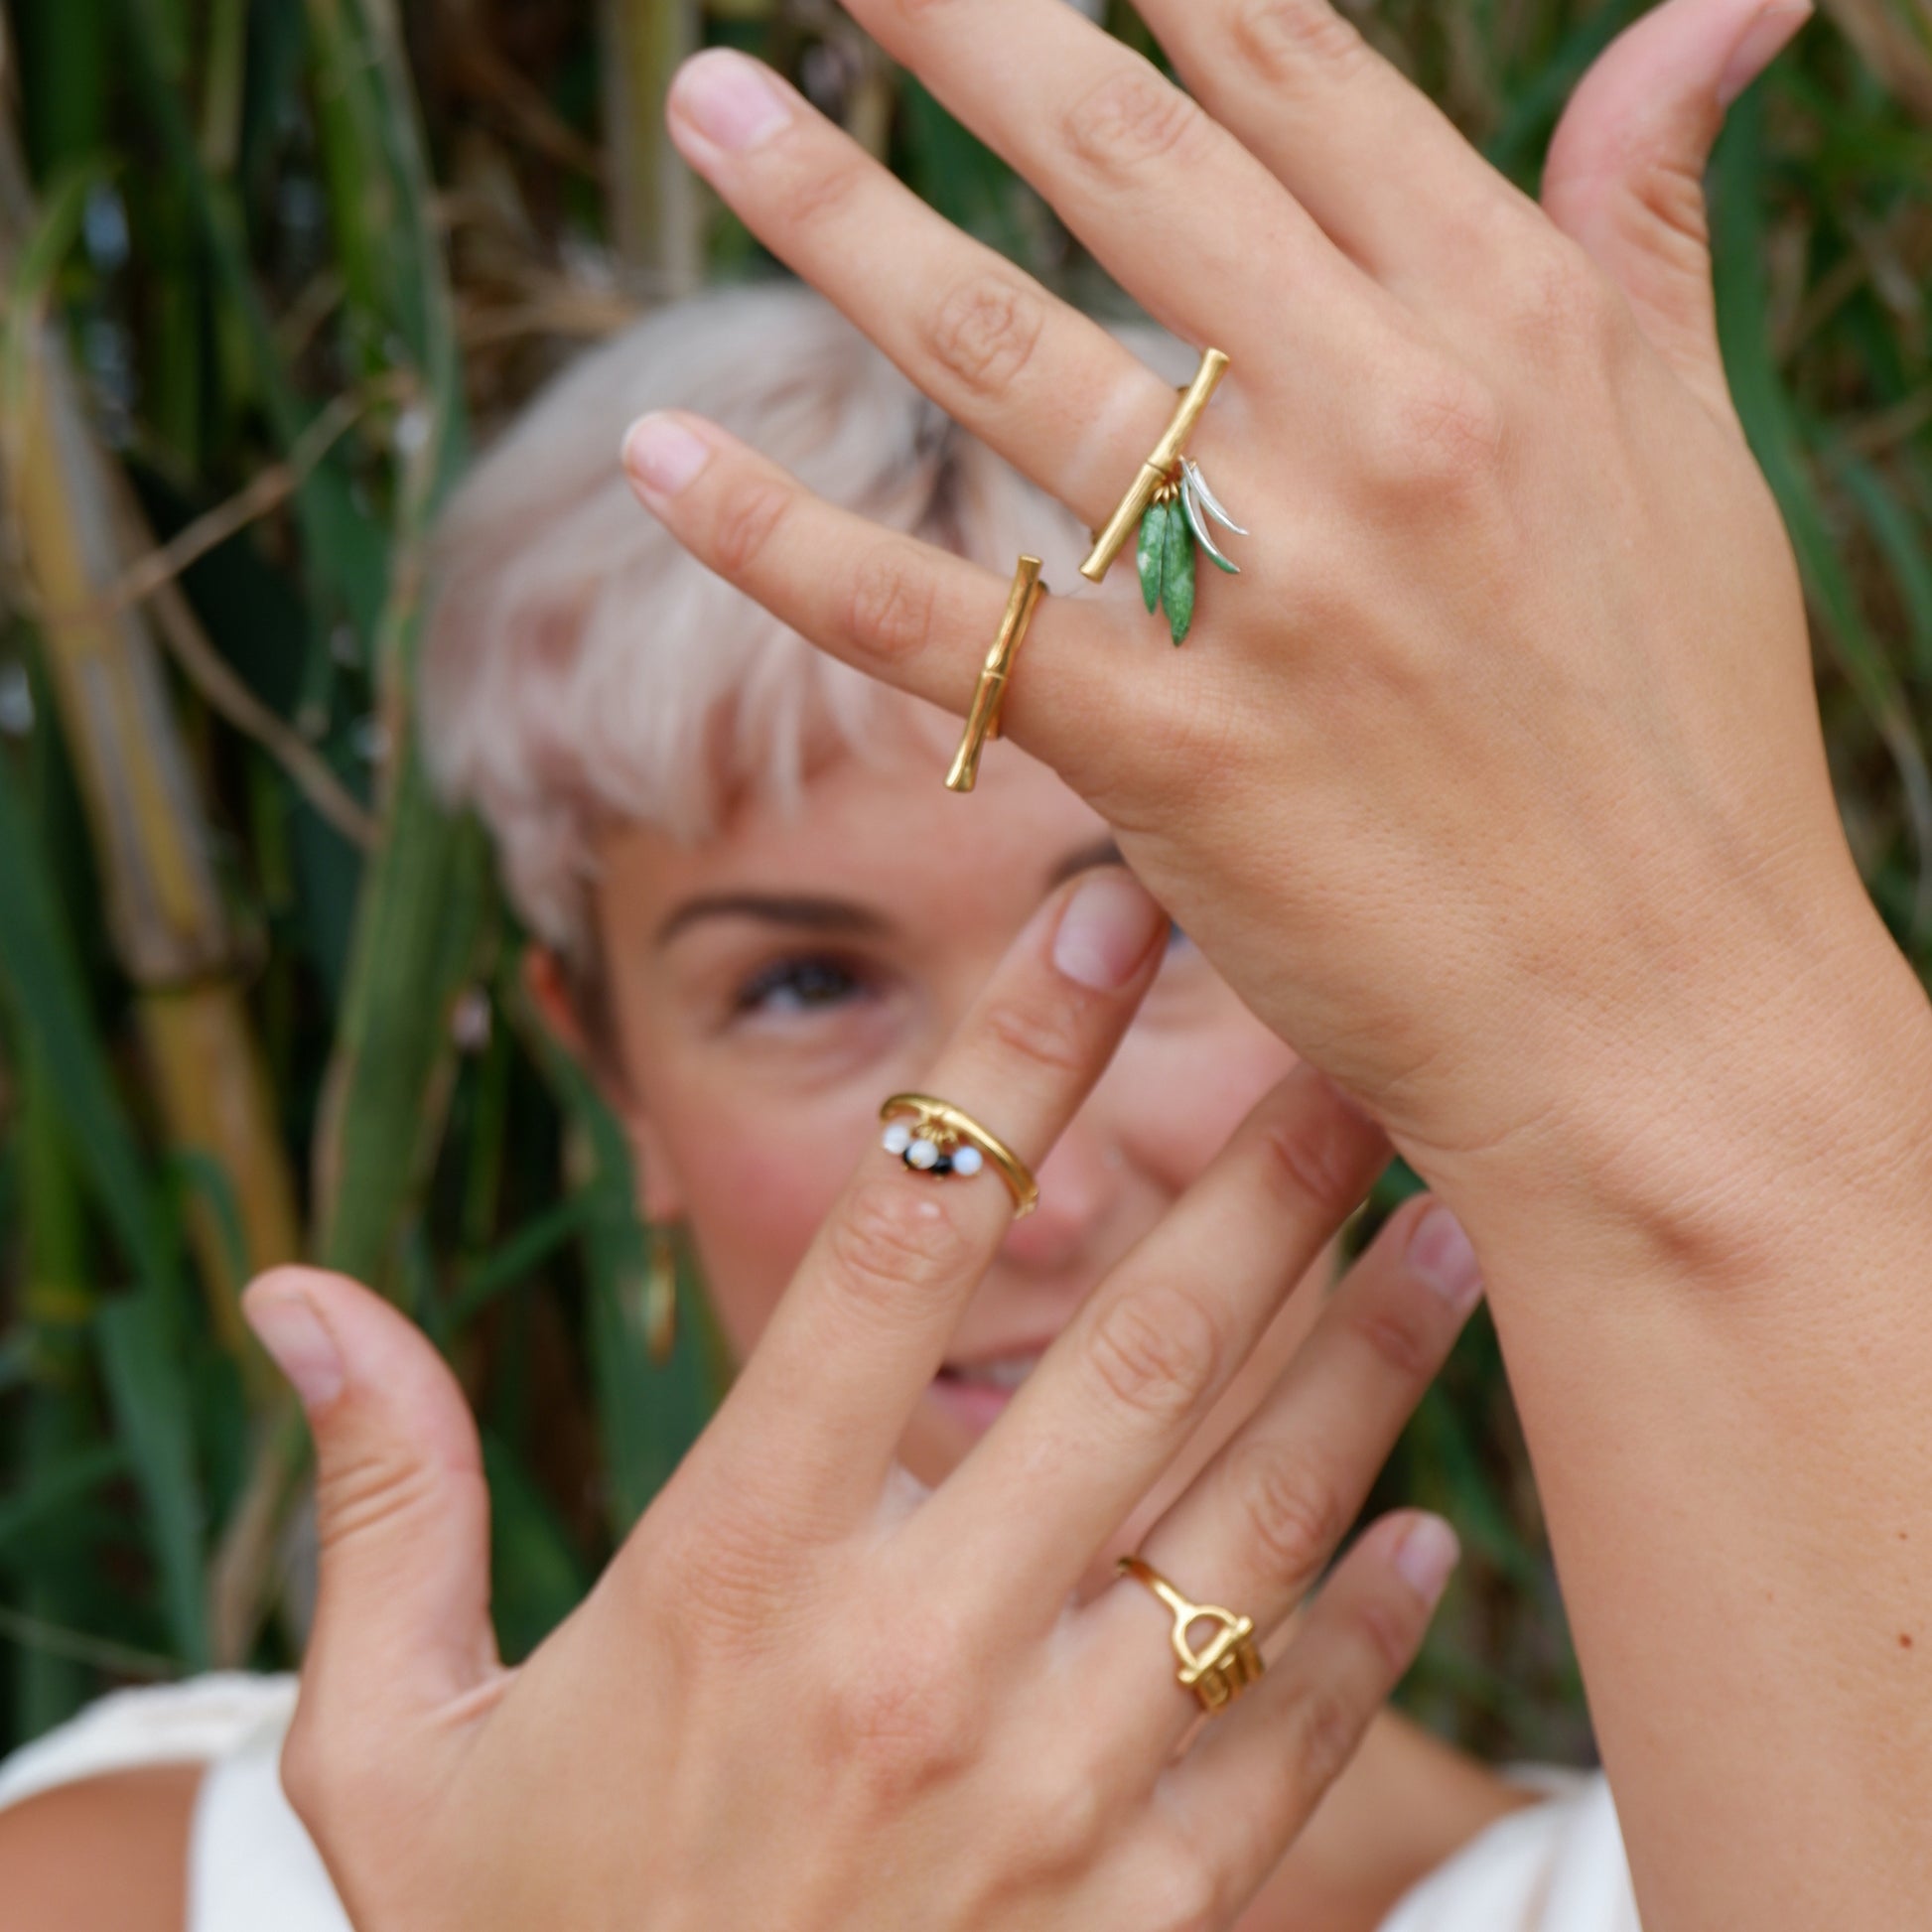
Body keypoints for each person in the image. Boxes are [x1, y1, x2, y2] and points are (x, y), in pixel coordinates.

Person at [7, 1, 1918, 1926]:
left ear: (1397, 969)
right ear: (609, 1072)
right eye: (801, 985)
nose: (1035, 1191)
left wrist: (1715, 1037)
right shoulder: (148, 1876)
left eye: (1166, 931)